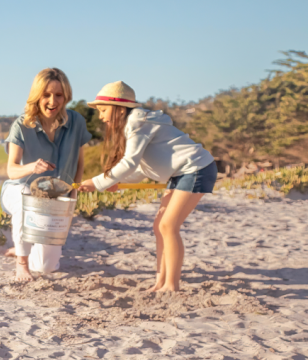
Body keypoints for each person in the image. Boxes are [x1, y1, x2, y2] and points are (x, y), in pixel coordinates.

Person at [78, 80, 217, 293]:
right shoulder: (133, 126)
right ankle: (160, 282)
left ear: (118, 108)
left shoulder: (137, 122)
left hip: (195, 168)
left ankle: (171, 285)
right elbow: (143, 168)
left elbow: (129, 163)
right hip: (181, 172)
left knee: (168, 226)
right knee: (159, 226)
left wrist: (97, 183)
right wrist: (116, 183)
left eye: (103, 110)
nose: (101, 116)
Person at [1, 68, 91, 281]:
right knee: (25, 193)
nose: (53, 101)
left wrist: (73, 195)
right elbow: (11, 170)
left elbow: (80, 164)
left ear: (66, 96)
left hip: (55, 200)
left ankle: (22, 248)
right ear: (37, 96)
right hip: (18, 190)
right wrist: (31, 167)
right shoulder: (21, 125)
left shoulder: (76, 122)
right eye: (46, 94)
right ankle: (21, 263)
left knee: (46, 267)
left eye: (59, 95)